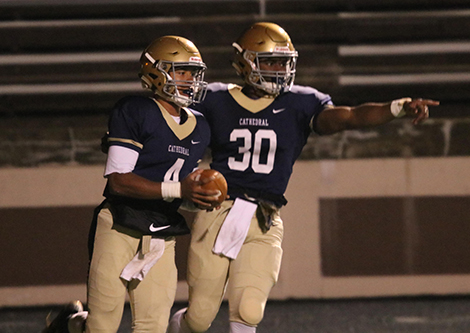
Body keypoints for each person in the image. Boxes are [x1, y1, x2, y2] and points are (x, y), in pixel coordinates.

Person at [167, 22, 439, 333]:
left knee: (249, 310)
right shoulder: (214, 98)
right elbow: (171, 133)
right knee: (200, 317)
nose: (278, 69)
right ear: (245, 62)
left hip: (265, 216)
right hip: (217, 212)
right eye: (269, 61)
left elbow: (350, 116)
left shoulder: (300, 102)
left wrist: (397, 108)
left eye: (283, 62)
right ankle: (180, 324)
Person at [43, 35, 222, 333]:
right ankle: (71, 326)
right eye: (181, 71)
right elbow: (119, 182)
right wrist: (181, 190)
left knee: (152, 327)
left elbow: (178, 190)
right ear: (155, 73)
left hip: (162, 236)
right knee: (102, 326)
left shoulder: (200, 124)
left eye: (193, 72)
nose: (190, 80)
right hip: (120, 227)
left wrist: (199, 197)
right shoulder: (134, 110)